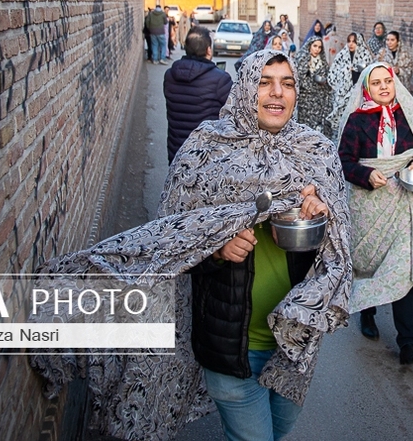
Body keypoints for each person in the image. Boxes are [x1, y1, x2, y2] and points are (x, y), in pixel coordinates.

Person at [31, 50, 354, 441]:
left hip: (292, 344)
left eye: (287, 83)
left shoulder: (315, 153)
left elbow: (334, 253)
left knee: (279, 431)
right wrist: (217, 249)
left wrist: (316, 215)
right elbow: (172, 242)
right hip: (229, 343)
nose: (276, 93)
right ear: (245, 88)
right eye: (264, 81)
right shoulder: (206, 149)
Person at [338, 64, 413, 366]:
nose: (384, 87)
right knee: (369, 264)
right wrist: (366, 174)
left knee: (403, 271)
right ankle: (368, 312)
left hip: (402, 204)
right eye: (377, 83)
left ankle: (407, 343)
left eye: (388, 81)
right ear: (366, 89)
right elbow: (344, 162)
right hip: (369, 205)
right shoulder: (356, 121)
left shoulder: (406, 116)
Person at [163, 26, 233, 163]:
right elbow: (236, 112)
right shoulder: (220, 79)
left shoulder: (170, 75)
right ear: (208, 49)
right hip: (206, 155)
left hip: (177, 151)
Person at [325, 32, 374, 140]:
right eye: (349, 41)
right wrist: (347, 71)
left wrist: (356, 71)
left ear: (359, 43)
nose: (351, 44)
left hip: (357, 96)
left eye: (354, 42)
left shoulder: (365, 57)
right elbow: (333, 73)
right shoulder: (342, 55)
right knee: (339, 125)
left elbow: (369, 76)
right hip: (341, 95)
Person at [294, 37, 332, 132]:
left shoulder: (322, 61)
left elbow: (327, 77)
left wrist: (324, 81)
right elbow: (298, 78)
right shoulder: (302, 59)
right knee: (305, 127)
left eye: (319, 47)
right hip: (306, 99)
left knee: (317, 127)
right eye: (315, 46)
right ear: (309, 46)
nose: (317, 49)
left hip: (320, 99)